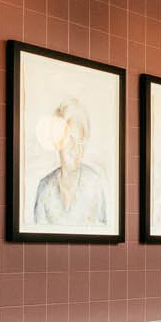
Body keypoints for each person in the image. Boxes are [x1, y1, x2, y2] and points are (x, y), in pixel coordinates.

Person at [32, 97, 112, 228]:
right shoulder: (45, 187)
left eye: (80, 140)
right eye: (70, 139)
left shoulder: (94, 183)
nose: (76, 149)